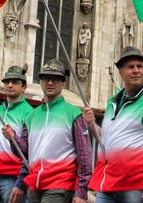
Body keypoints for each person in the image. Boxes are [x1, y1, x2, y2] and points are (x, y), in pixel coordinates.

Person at [86, 45, 143, 202]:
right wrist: (92, 125)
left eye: (140, 66)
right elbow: (108, 139)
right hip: (108, 183)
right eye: (130, 67)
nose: (136, 70)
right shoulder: (111, 102)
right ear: (120, 71)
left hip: (136, 185)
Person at [8, 59, 93, 203]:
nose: (50, 83)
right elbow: (24, 153)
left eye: (55, 79)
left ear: (63, 83)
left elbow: (84, 155)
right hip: (34, 186)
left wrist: (81, 192)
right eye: (46, 79)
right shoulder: (31, 116)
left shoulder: (73, 114)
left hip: (60, 185)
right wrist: (12, 138)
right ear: (40, 82)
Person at [0, 64, 34, 203]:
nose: (10, 85)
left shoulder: (29, 113)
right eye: (7, 82)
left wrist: (21, 182)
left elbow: (30, 151)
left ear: (24, 87)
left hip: (13, 178)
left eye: (15, 82)